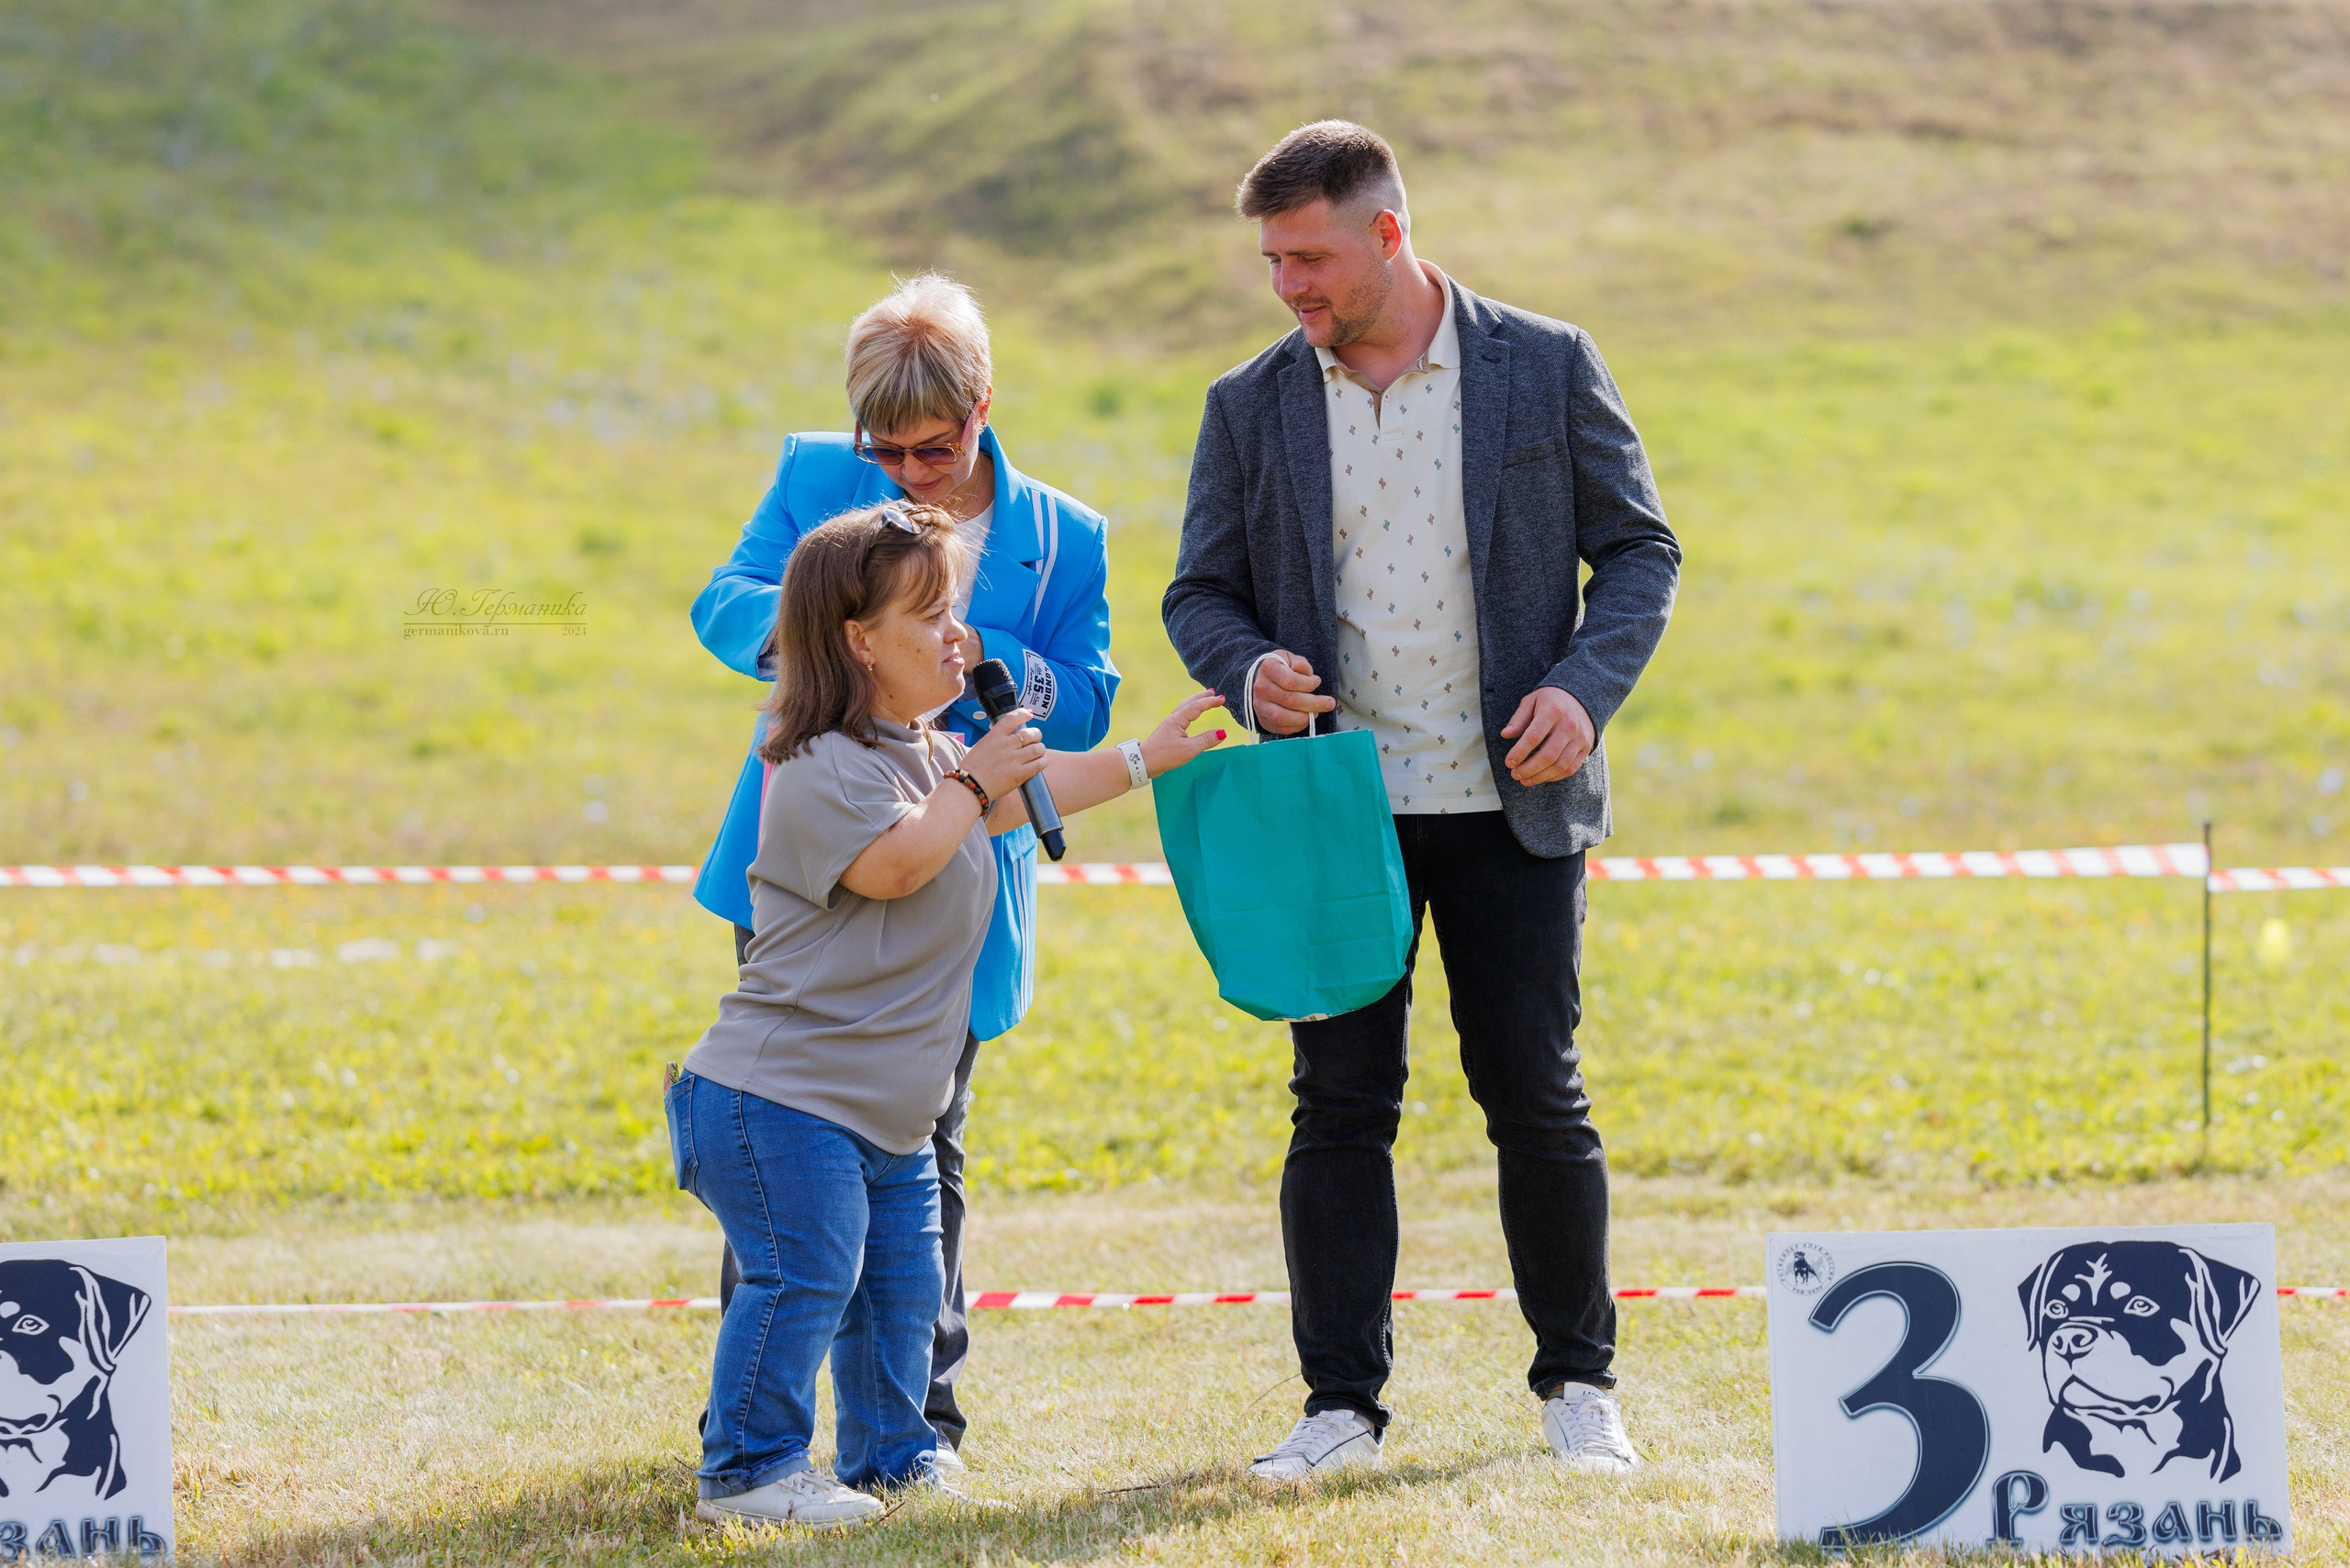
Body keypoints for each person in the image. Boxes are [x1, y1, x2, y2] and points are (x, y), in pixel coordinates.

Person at [1161, 121, 1681, 1480]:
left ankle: (1581, 1387)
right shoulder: (1250, 400)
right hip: (1334, 813)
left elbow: (1639, 553)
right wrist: (1247, 665)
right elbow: (1197, 591)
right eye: (1273, 260)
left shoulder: (1547, 363)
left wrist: (1583, 689)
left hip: (1516, 801)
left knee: (1537, 1099)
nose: (1289, 286)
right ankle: (1339, 1407)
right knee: (1337, 1106)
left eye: (1311, 257)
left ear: (1389, 233)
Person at [670, 499, 1225, 1529]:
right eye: (930, 616)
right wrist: (976, 774)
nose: (958, 638)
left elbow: (1022, 791)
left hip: (887, 1111)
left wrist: (1149, 754)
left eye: (955, 611)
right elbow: (895, 863)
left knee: (900, 1290)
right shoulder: (812, 760)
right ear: (857, 641)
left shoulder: (926, 755)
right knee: (805, 1277)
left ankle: (893, 1454)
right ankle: (746, 1471)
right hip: (779, 1100)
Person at [688, 273, 1119, 1461]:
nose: (908, 475)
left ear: (984, 406)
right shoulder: (817, 474)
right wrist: (838, 647)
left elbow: (1085, 696)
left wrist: (989, 660)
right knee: (788, 1139)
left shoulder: (1061, 536)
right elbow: (718, 602)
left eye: (934, 449)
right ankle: (754, 1426)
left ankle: (917, 1426)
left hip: (962, 878)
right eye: (887, 450)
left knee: (928, 1145)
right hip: (818, 856)